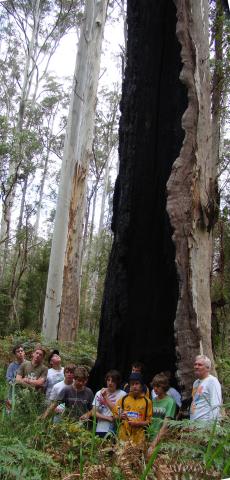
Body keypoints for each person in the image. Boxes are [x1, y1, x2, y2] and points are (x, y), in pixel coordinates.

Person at [113, 372, 152, 444]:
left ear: (141, 386)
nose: (134, 386)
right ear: (129, 386)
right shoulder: (123, 400)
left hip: (139, 439)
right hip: (123, 437)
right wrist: (120, 416)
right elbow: (114, 417)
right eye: (132, 384)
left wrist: (138, 423)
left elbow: (149, 421)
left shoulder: (147, 402)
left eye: (137, 384)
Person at [147, 373, 176, 456]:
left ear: (164, 387)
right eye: (154, 386)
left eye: (158, 386)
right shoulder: (152, 401)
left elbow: (166, 425)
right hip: (149, 436)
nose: (155, 389)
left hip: (160, 439)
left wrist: (154, 442)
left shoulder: (170, 402)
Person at [91, 370, 126, 437]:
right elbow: (93, 412)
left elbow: (121, 413)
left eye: (113, 381)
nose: (110, 383)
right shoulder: (99, 393)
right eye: (108, 380)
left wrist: (105, 397)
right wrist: (108, 418)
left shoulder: (123, 395)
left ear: (117, 382)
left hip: (117, 430)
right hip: (100, 429)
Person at [190, 355, 222, 422]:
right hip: (194, 426)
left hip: (205, 426)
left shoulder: (212, 381)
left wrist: (212, 428)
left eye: (200, 365)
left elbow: (215, 405)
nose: (196, 367)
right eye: (195, 364)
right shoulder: (196, 383)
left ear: (208, 368)